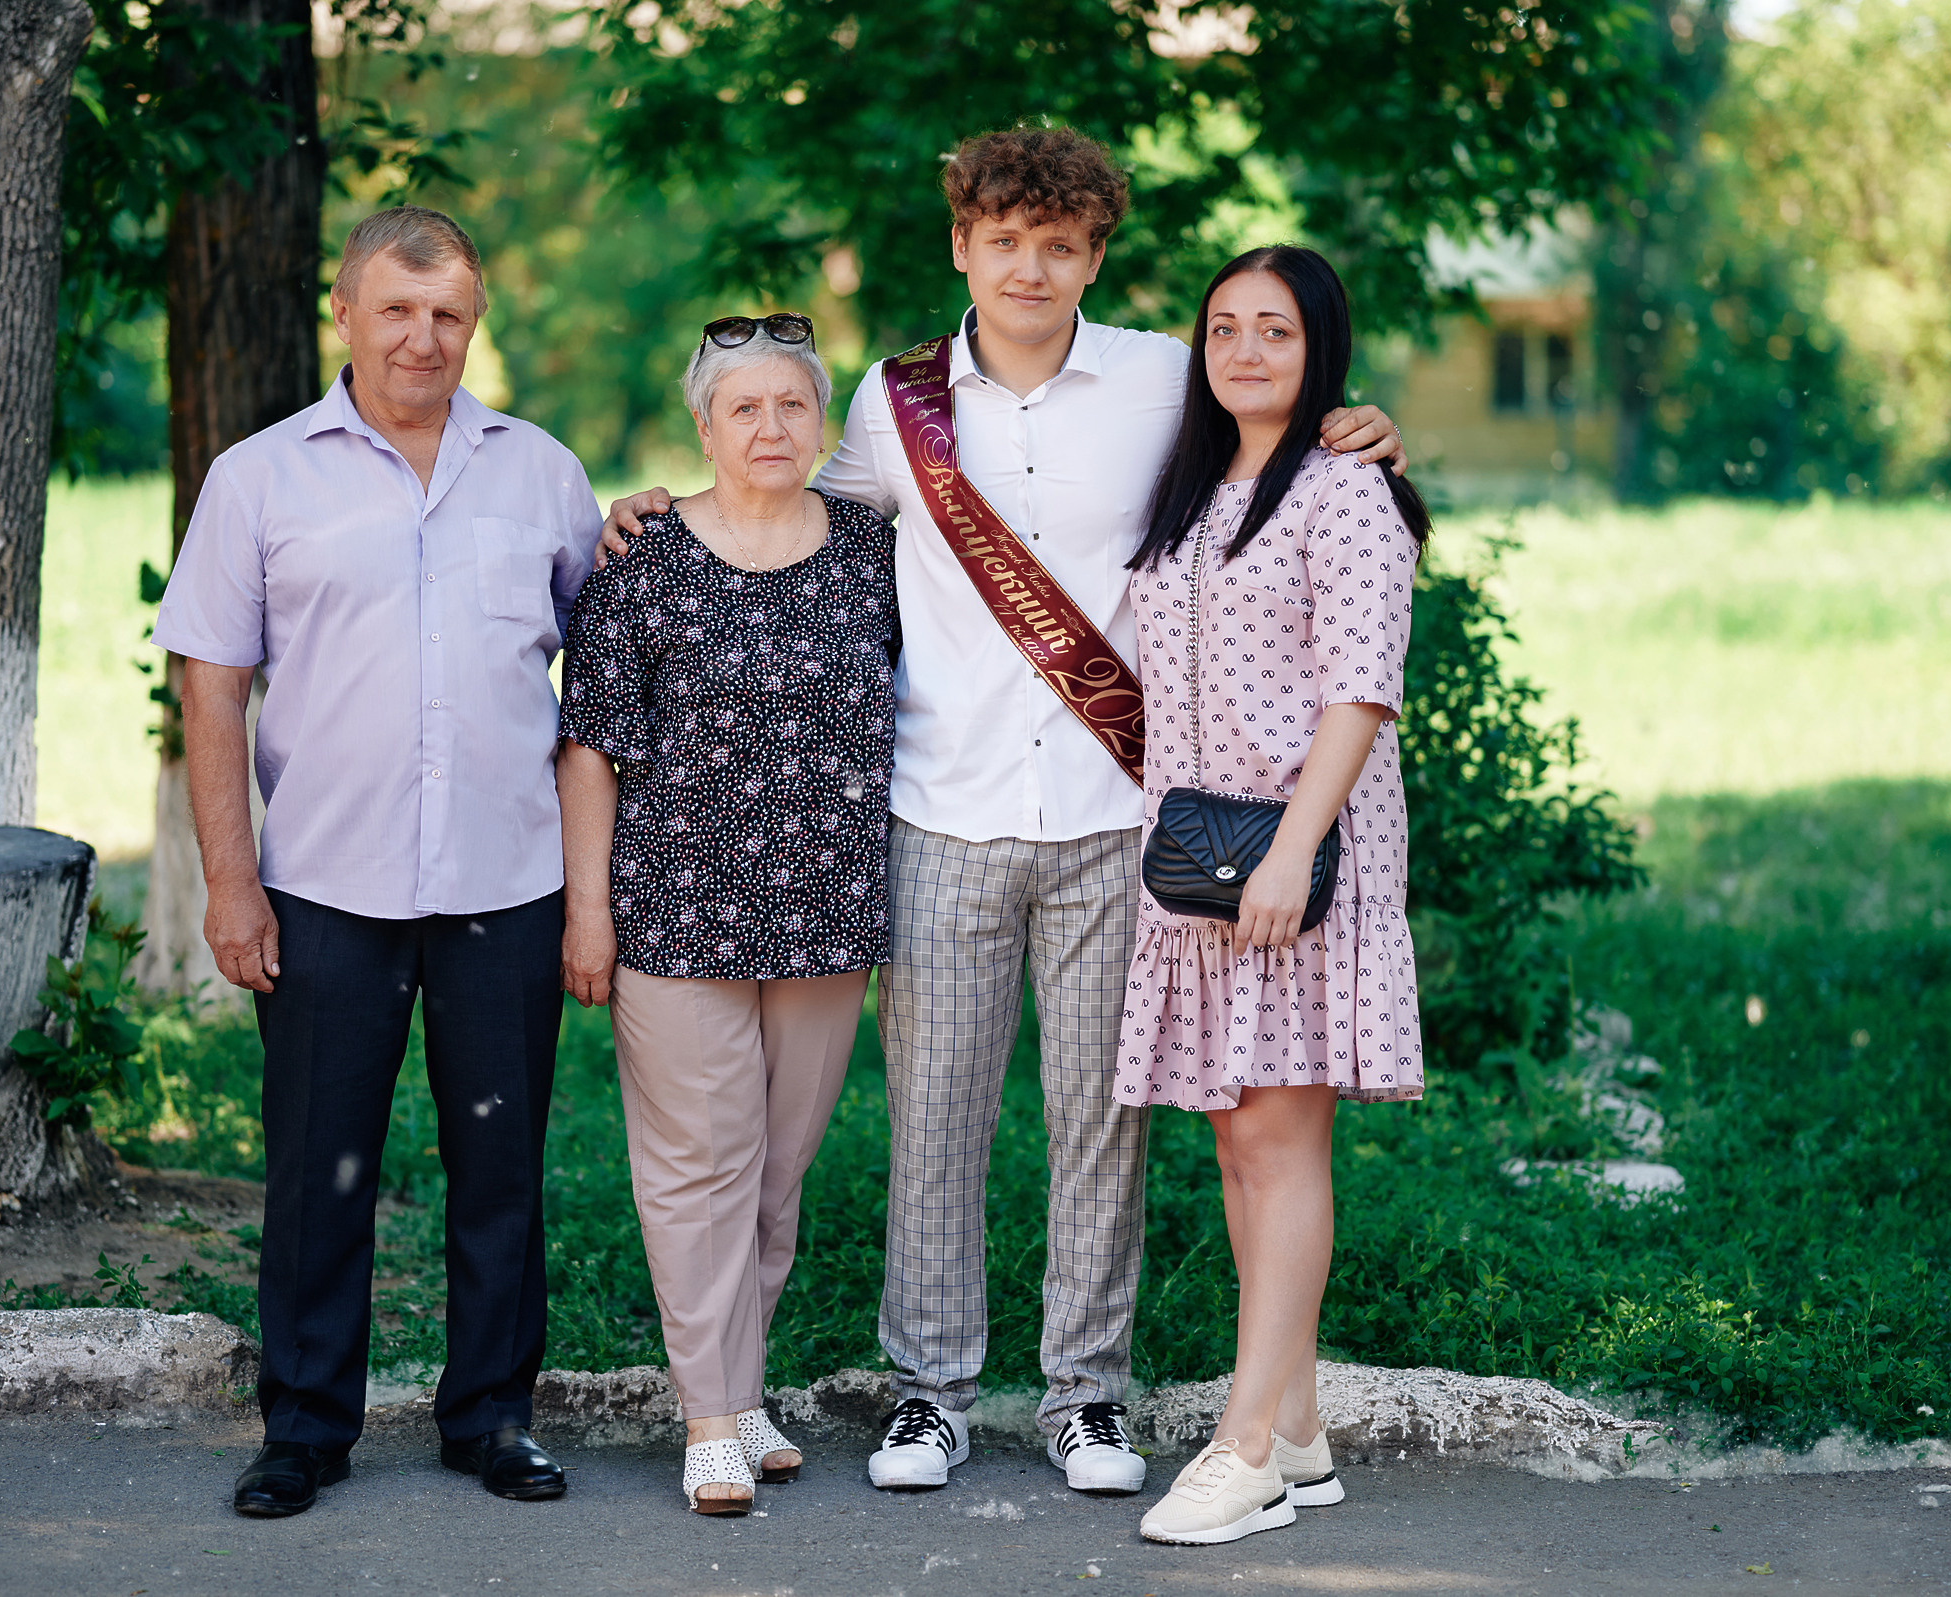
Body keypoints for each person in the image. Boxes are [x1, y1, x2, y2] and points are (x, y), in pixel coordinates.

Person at [603, 126, 1412, 1499]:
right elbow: (783, 500)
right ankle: (931, 1394)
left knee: (1104, 1115)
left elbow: (1280, 452)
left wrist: (1366, 424)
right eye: (1004, 240)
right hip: (944, 804)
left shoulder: (1168, 377)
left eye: (1059, 244)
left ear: (1096, 254)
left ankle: (1086, 1395)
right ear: (963, 247)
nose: (1029, 266)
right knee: (936, 1115)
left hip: (1122, 817)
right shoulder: (890, 399)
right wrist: (658, 514)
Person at [153, 206, 603, 1517]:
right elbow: (214, 688)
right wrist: (232, 887)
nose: (423, 337)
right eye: (397, 310)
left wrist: (594, 891)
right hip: (323, 891)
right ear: (344, 313)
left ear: (477, 324)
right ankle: (302, 1428)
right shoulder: (261, 477)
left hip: (506, 885)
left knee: (501, 1170)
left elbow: (606, 684)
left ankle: (492, 1418)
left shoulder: (540, 474)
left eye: (449, 313)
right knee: (318, 1169)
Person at [555, 313, 899, 1514]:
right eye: (743, 407)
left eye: (792, 405)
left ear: (824, 425)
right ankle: (708, 1417)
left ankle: (741, 1388)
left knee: (776, 1171)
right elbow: (591, 747)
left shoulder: (872, 547)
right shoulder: (640, 559)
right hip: (672, 910)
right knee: (699, 1162)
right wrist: (587, 910)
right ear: (703, 425)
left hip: (825, 912)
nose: (770, 426)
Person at [1120, 246, 1429, 1546]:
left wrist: (1298, 850)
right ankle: (1296, 1420)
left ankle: (1245, 1447)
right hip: (1196, 858)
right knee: (1237, 1138)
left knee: (1285, 1139)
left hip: (1302, 856)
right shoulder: (1192, 488)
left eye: (1278, 332)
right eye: (1226, 328)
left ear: (1323, 352)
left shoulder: (1343, 489)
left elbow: (1362, 688)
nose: (1246, 351)